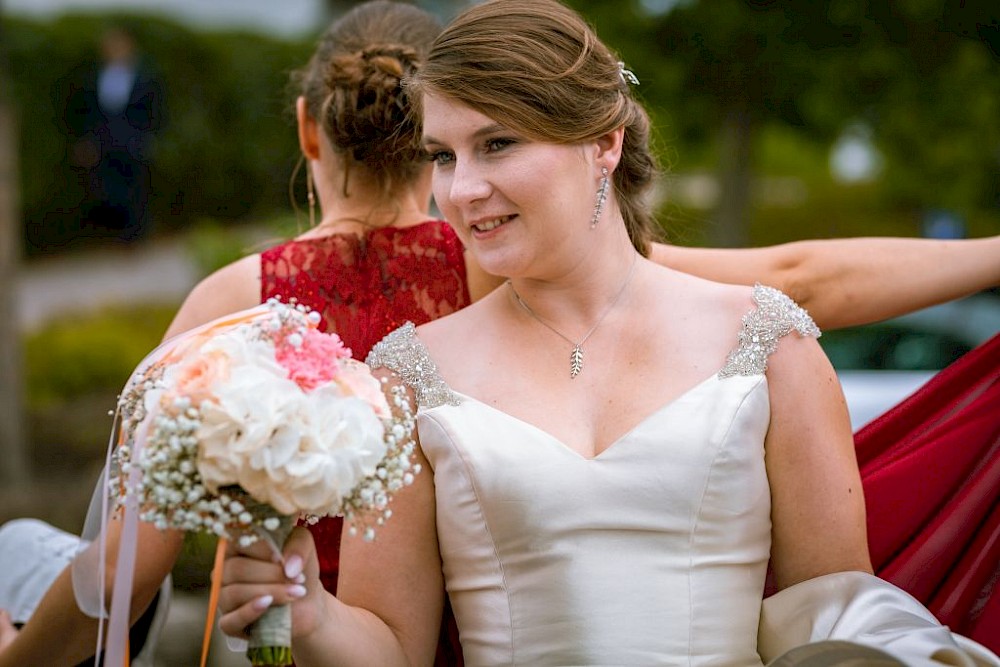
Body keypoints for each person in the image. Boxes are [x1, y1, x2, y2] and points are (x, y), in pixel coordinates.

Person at [2, 0, 998, 664]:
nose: (460, 190)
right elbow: (389, 643)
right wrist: (304, 605)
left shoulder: (769, 345)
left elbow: (838, 618)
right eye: (441, 153)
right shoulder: (408, 373)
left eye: (498, 145)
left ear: (605, 141)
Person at [62, 25, 164, 242]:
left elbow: (155, 111)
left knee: (135, 191)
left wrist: (146, 138)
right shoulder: (93, 78)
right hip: (104, 143)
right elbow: (87, 112)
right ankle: (112, 237)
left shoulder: (145, 77)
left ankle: (135, 238)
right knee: (107, 191)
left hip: (133, 144)